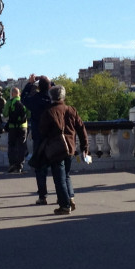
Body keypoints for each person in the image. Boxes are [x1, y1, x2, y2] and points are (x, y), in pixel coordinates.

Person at [39, 85, 88, 215]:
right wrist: (84, 147)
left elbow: (42, 131)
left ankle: (65, 205)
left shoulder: (49, 112)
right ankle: (70, 198)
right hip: (70, 147)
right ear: (63, 96)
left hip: (56, 149)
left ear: (51, 97)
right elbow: (82, 129)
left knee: (59, 178)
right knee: (66, 175)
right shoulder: (71, 110)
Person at [21, 74, 52, 204]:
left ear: (38, 87)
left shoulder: (34, 100)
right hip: (52, 137)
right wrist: (47, 80)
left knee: (40, 168)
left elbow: (23, 98)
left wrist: (30, 83)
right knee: (57, 167)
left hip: (39, 137)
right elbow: (56, 90)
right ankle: (62, 195)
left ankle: (42, 196)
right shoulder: (52, 99)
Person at [3, 87, 28, 173]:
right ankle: (20, 165)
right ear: (19, 94)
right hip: (23, 126)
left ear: (12, 94)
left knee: (12, 146)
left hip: (12, 126)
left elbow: (5, 114)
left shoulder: (9, 102)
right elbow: (28, 114)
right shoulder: (24, 101)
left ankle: (12, 164)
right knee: (22, 146)